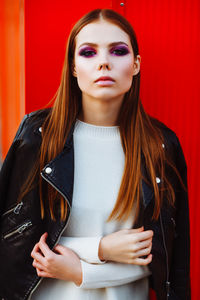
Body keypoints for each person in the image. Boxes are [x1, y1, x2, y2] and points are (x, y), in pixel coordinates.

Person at [0, 8, 190, 300]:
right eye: (88, 53)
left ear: (136, 64)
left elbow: (163, 262)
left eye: (118, 51)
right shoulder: (38, 137)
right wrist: (100, 249)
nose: (104, 63)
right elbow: (17, 245)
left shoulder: (160, 146)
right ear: (73, 67)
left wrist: (81, 271)